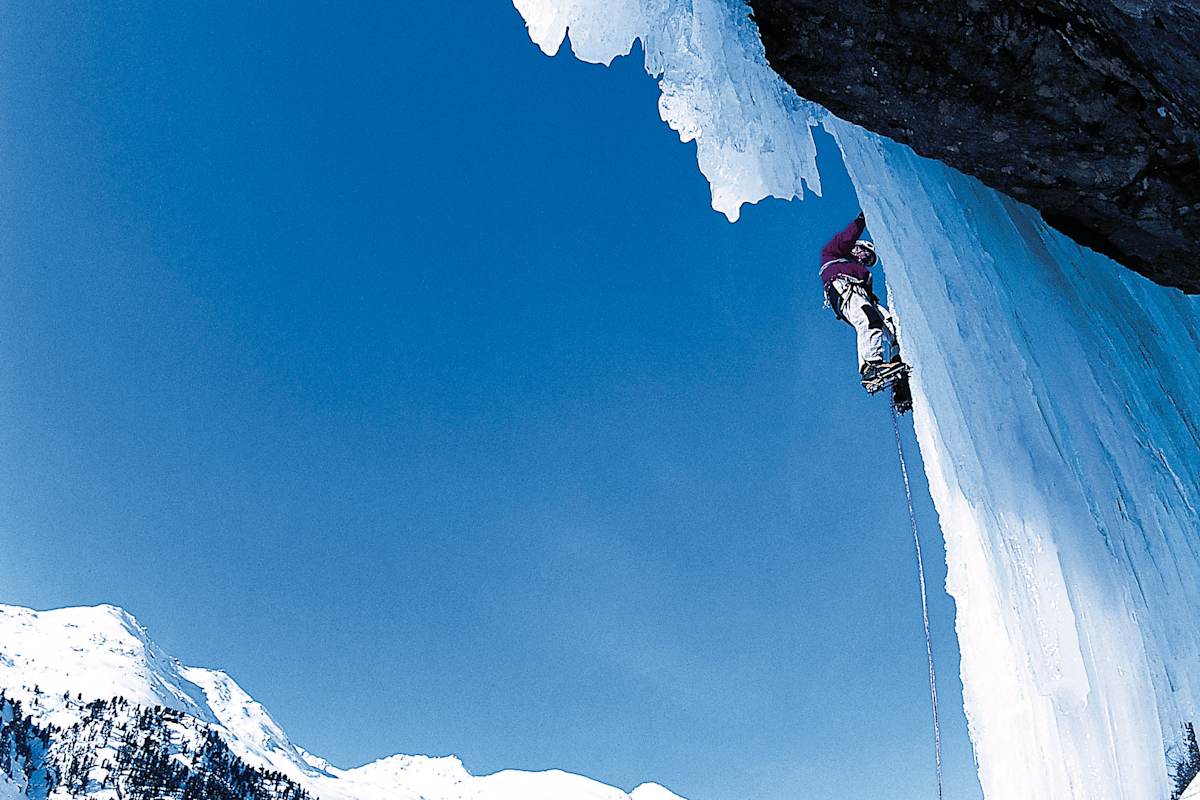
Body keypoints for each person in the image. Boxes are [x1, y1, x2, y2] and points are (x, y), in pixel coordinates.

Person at [819, 212, 907, 389]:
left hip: (862, 295)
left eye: (869, 260)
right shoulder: (833, 254)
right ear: (856, 248)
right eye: (866, 255)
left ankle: (898, 373)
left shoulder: (864, 275)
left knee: (891, 326)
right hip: (844, 288)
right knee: (868, 319)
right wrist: (861, 220)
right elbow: (846, 237)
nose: (866, 260)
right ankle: (870, 366)